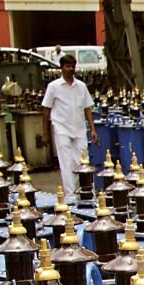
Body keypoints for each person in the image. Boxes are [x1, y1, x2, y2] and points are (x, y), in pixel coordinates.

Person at [41, 54, 97, 195]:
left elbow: (87, 108)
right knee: (66, 163)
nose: (70, 69)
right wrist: (45, 133)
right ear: (62, 68)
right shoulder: (53, 87)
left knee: (82, 162)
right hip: (61, 128)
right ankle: (70, 195)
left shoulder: (81, 86)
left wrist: (93, 129)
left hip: (79, 129)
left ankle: (83, 191)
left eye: (72, 66)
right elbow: (46, 110)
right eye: (67, 66)